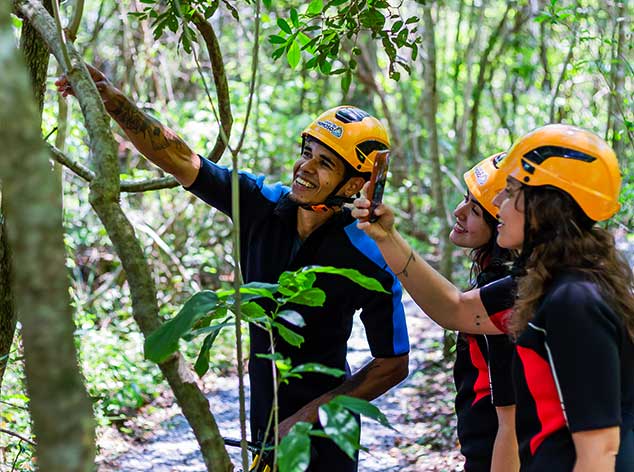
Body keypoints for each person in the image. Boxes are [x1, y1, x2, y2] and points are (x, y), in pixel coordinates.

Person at [57, 67, 410, 471]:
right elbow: (181, 159)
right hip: (263, 421)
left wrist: (307, 417)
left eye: (325, 162)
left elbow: (393, 362)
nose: (305, 167)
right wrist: (116, 103)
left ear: (353, 185)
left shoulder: (369, 253)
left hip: (325, 435)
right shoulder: (259, 203)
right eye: (306, 152)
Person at [352, 124, 634, 471]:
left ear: (545, 205)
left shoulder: (574, 300)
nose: (497, 202)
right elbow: (455, 309)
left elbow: (600, 448)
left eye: (511, 189)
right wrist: (387, 237)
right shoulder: (546, 282)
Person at [452, 153, 518, 471]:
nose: (459, 213)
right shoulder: (492, 275)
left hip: (494, 450)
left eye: (474, 210)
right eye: (465, 200)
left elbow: (511, 416)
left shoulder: (505, 290)